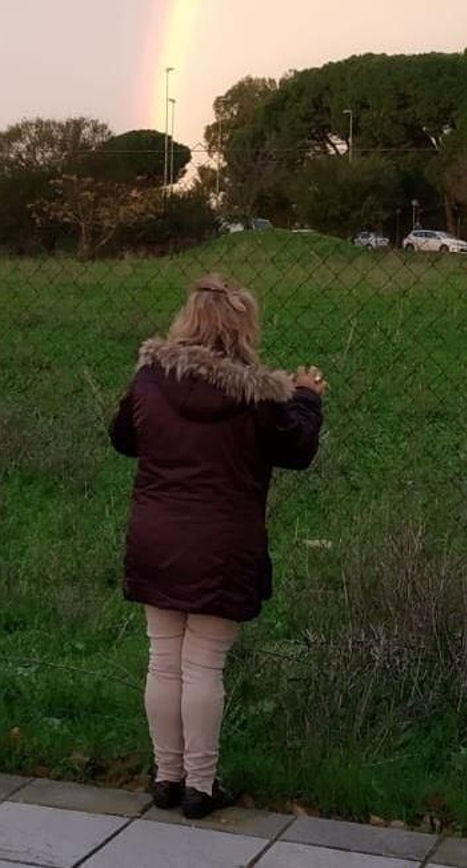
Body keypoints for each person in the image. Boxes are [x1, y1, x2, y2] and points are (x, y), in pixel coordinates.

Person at [108, 274, 326, 820]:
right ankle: (200, 787)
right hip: (224, 543)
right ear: (242, 328)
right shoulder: (258, 395)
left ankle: (166, 778)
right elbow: (296, 449)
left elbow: (122, 438)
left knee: (163, 661)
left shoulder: (150, 379)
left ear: (188, 320)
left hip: (157, 535)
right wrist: (307, 398)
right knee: (203, 666)